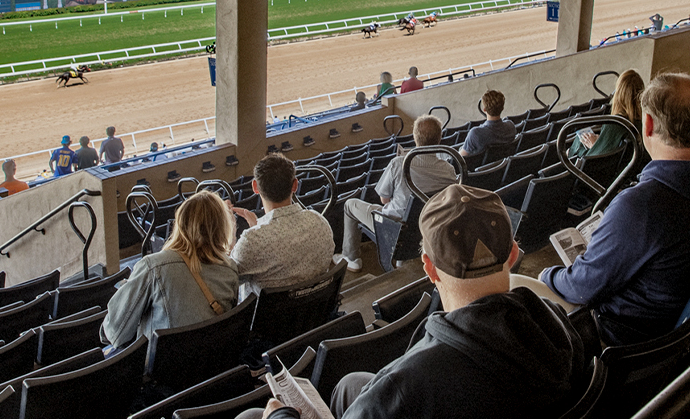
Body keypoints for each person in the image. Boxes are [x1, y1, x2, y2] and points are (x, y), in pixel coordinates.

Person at [243, 185, 588, 419]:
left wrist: (282, 415)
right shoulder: (559, 325)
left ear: (429, 268)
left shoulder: (403, 389)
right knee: (350, 384)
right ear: (513, 254)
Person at [531, 73, 690, 345]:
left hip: (624, 344)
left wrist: (546, 275)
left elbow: (580, 287)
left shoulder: (641, 206)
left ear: (647, 124)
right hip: (689, 340)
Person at [101, 190, 239, 348]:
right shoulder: (230, 269)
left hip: (162, 368)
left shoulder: (153, 267)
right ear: (223, 227)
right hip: (213, 363)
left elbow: (115, 334)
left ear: (180, 223)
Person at [338, 115, 457, 272]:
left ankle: (351, 258)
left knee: (350, 205)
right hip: (430, 226)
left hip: (394, 229)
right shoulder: (448, 170)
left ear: (415, 137)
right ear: (439, 138)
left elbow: (384, 199)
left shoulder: (399, 163)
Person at [229, 154, 335, 298]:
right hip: (316, 314)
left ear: (255, 187)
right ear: (295, 185)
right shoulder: (320, 223)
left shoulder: (252, 242)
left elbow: (227, 277)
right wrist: (256, 226)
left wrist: (230, 231)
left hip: (267, 319)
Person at [568, 69, 645, 158]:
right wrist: (600, 142)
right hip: (629, 168)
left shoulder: (615, 124)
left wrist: (594, 146)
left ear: (618, 94)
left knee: (577, 142)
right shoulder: (643, 123)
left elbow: (595, 160)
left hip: (604, 168)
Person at [460, 90, 518, 157]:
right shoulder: (511, 126)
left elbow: (460, 157)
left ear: (484, 109)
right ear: (502, 108)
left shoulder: (476, 134)